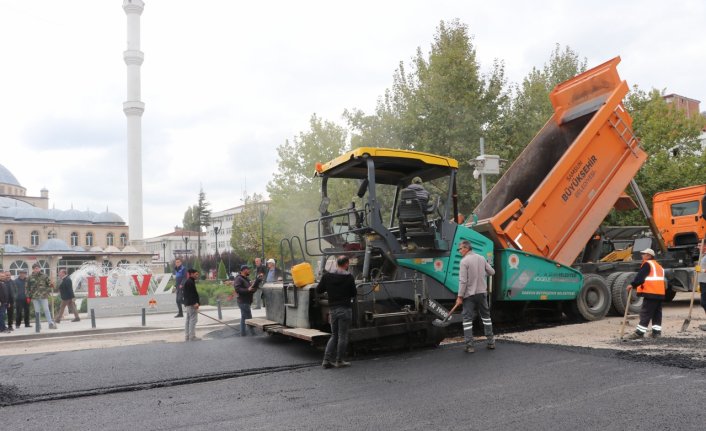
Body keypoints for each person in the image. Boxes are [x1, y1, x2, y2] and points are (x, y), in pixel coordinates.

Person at [316, 255, 357, 369]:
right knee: (342, 336)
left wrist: (328, 290)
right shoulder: (349, 277)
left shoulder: (327, 276)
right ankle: (339, 360)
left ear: (336, 264)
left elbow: (318, 290)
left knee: (334, 335)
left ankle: (326, 360)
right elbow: (354, 293)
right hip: (345, 309)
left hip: (333, 309)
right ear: (346, 264)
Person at [455, 240, 496, 353]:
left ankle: (470, 346)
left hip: (470, 295)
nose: (459, 251)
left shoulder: (464, 261)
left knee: (467, 319)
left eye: (460, 249)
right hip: (482, 293)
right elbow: (492, 272)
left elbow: (463, 281)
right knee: (486, 318)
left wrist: (459, 296)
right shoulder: (481, 258)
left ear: (466, 248)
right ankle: (491, 342)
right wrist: (482, 274)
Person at [624, 248, 666, 340]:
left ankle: (639, 333)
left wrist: (632, 284)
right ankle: (656, 333)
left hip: (651, 292)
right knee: (656, 313)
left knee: (645, 313)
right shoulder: (658, 266)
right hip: (659, 293)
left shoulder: (648, 264)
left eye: (644, 254)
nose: (642, 255)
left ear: (649, 256)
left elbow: (641, 277)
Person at [27, 263, 57, 330]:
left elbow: (49, 283)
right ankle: (38, 325)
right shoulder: (30, 277)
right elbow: (27, 287)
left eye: (37, 268)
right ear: (33, 269)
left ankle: (50, 324)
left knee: (46, 310)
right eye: (35, 268)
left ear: (40, 268)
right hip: (34, 297)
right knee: (37, 311)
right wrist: (28, 296)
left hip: (43, 296)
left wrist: (51, 285)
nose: (36, 269)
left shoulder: (44, 276)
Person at [234, 264, 261, 336]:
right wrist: (247, 289)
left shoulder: (247, 279)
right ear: (243, 270)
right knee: (249, 318)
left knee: (244, 318)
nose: (249, 270)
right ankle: (253, 334)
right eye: (248, 269)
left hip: (247, 301)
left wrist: (255, 284)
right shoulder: (239, 278)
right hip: (243, 302)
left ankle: (243, 333)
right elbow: (237, 289)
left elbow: (251, 289)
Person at [183, 268, 201, 341]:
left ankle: (187, 336)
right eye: (196, 274)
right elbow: (191, 294)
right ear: (192, 274)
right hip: (191, 304)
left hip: (188, 304)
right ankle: (192, 336)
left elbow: (187, 294)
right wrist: (195, 303)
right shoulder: (190, 282)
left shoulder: (189, 281)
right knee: (193, 320)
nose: (197, 276)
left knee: (188, 320)